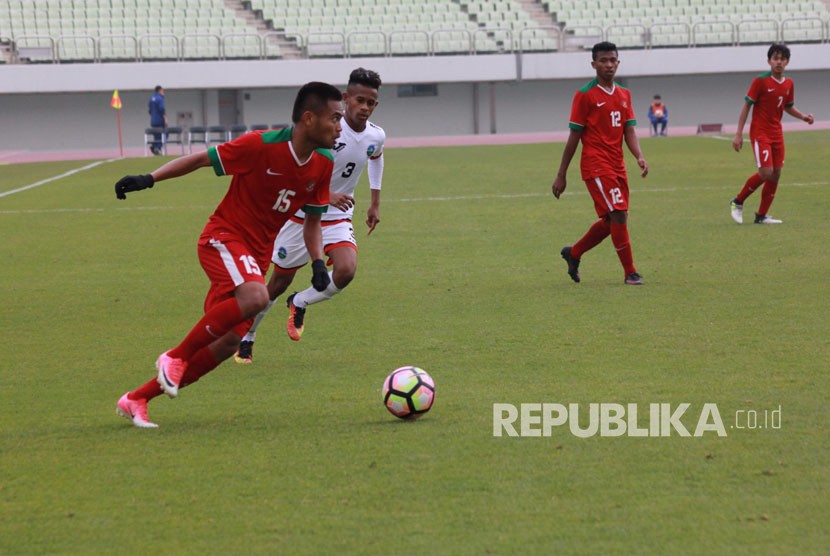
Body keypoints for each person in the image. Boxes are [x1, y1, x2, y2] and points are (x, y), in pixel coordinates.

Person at [115, 82, 344, 428]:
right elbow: (200, 160)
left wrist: (316, 263)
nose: (340, 127)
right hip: (223, 238)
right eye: (335, 118)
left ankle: (137, 399)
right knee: (256, 296)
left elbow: (313, 222)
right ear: (309, 118)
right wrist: (149, 178)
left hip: (255, 257)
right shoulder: (260, 145)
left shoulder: (323, 163)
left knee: (227, 343)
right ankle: (174, 357)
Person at [234, 68, 386, 364]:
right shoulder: (324, 130)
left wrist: (374, 203)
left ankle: (300, 301)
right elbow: (299, 169)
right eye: (359, 100)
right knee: (276, 283)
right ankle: (248, 335)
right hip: (302, 216)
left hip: (338, 218)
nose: (365, 108)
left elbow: (376, 158)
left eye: (371, 102)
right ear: (346, 99)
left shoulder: (376, 136)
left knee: (346, 270)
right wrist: (326, 195)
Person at [552, 41, 649, 286]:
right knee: (618, 215)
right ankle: (630, 273)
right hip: (596, 165)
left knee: (613, 220)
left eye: (612, 60)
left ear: (618, 62)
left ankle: (573, 253)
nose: (608, 65)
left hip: (618, 166)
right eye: (603, 61)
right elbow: (574, 136)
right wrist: (561, 174)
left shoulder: (624, 95)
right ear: (593, 64)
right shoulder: (585, 95)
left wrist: (639, 155)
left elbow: (629, 131)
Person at [730, 43, 814, 225]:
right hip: (760, 133)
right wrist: (738, 134)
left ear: (787, 62)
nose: (779, 62)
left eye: (782, 59)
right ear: (769, 61)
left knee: (776, 174)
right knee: (766, 172)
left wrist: (803, 117)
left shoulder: (789, 84)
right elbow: (746, 106)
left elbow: (788, 107)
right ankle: (737, 201)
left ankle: (761, 215)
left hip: (777, 133)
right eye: (775, 58)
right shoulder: (760, 81)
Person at [148, 85, 167, 155]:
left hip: (153, 121)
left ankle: (155, 147)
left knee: (156, 136)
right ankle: (156, 148)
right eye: (163, 91)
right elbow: (161, 109)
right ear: (159, 91)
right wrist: (165, 117)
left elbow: (149, 111)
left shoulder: (152, 99)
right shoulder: (160, 98)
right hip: (160, 120)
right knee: (165, 134)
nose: (163, 92)